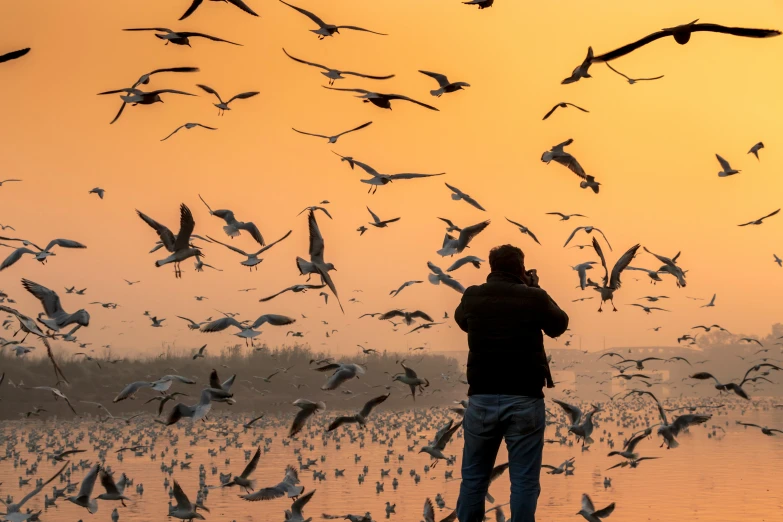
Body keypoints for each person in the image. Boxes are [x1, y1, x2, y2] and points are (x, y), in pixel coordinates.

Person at [454, 244, 569, 522]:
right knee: (524, 480)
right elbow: (559, 325)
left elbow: (463, 322)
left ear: (491, 267)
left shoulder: (472, 296)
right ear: (520, 268)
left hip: (481, 400)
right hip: (524, 399)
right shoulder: (534, 297)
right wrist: (537, 290)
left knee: (473, 478)